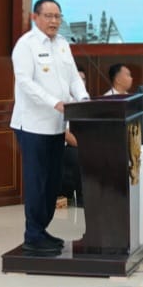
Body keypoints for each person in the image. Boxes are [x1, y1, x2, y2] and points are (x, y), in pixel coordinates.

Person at [10, 0, 89, 255]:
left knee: (53, 183)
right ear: (35, 17)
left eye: (58, 16)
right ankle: (32, 235)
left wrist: (84, 99)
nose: (54, 21)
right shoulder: (26, 45)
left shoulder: (63, 44)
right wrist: (54, 102)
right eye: (48, 16)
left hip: (57, 126)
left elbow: (73, 77)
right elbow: (25, 83)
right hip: (33, 126)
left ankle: (41, 229)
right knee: (37, 182)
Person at [58, 68, 86, 210]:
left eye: (83, 80)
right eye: (78, 80)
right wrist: (85, 146)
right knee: (79, 155)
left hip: (83, 143)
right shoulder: (62, 103)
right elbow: (65, 133)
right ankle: (82, 199)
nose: (81, 83)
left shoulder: (85, 102)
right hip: (65, 146)